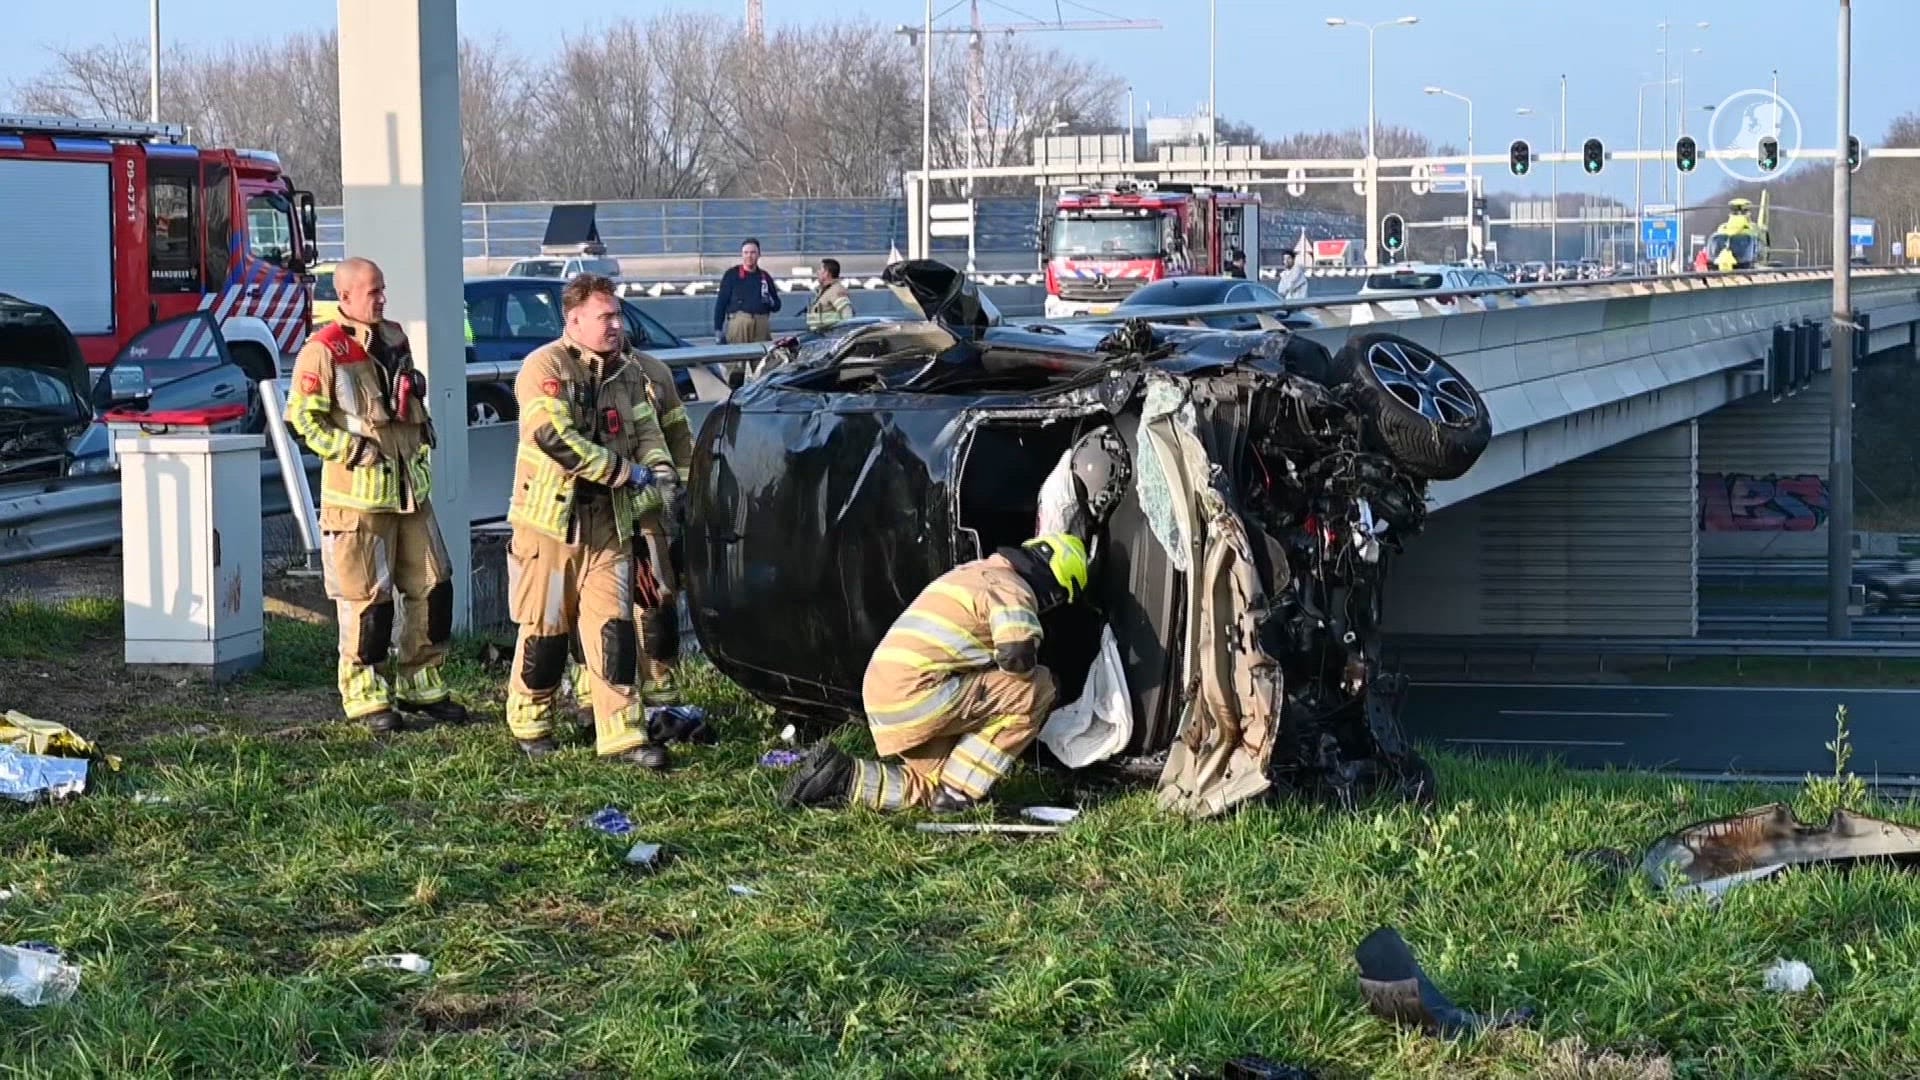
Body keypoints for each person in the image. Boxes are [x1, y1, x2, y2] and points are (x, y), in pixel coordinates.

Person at [285, 256, 470, 735]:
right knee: (366, 599)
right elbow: (302, 418)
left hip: (411, 492)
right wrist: (352, 450)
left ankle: (421, 681)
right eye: (372, 291)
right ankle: (365, 693)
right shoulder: (323, 349)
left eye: (383, 289)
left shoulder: (393, 337)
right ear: (344, 297)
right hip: (359, 500)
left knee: (434, 584)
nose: (382, 298)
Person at [504, 273, 680, 770]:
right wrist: (625, 472)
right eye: (606, 317)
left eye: (618, 316)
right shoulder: (544, 367)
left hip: (609, 523)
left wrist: (660, 471)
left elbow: (648, 430)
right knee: (546, 629)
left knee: (614, 628)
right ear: (574, 320)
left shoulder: (626, 372)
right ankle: (531, 722)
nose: (616, 326)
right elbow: (551, 436)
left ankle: (621, 732)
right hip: (551, 524)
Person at [780, 533, 1091, 813]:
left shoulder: (970, 574)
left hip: (884, 697)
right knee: (1036, 687)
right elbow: (1016, 654)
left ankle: (840, 777)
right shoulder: (1011, 587)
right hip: (919, 696)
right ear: (1055, 587)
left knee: (932, 782)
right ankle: (960, 795)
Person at [712, 237, 782, 344]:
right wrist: (718, 329)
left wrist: (770, 301)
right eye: (746, 252)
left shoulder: (764, 277)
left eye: (753, 252)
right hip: (739, 324)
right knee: (736, 358)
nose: (749, 256)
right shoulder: (732, 275)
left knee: (761, 359)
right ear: (742, 254)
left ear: (759, 255)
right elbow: (721, 303)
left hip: (761, 325)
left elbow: (777, 305)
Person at [804, 258, 855, 332]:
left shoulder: (836, 290)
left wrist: (842, 335)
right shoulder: (824, 291)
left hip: (830, 337)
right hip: (820, 335)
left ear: (827, 273)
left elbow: (847, 314)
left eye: (820, 269)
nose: (817, 272)